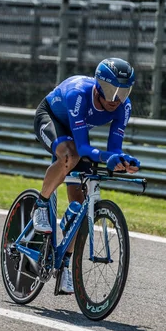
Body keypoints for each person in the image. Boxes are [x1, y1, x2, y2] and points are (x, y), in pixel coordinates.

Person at [32, 57, 140, 293]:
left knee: (80, 206)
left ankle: (64, 267)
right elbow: (82, 149)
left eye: (123, 92)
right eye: (112, 91)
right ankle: (40, 204)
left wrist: (122, 161)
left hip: (75, 129)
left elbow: (114, 148)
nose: (116, 99)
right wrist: (106, 157)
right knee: (70, 156)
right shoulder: (79, 94)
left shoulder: (124, 106)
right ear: (99, 85)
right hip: (51, 117)